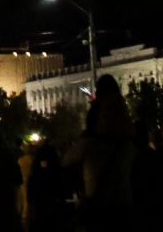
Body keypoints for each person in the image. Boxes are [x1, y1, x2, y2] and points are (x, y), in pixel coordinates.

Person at [62, 74, 135, 232]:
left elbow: (66, 161)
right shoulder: (128, 139)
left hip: (100, 210)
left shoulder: (92, 140)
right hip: (125, 209)